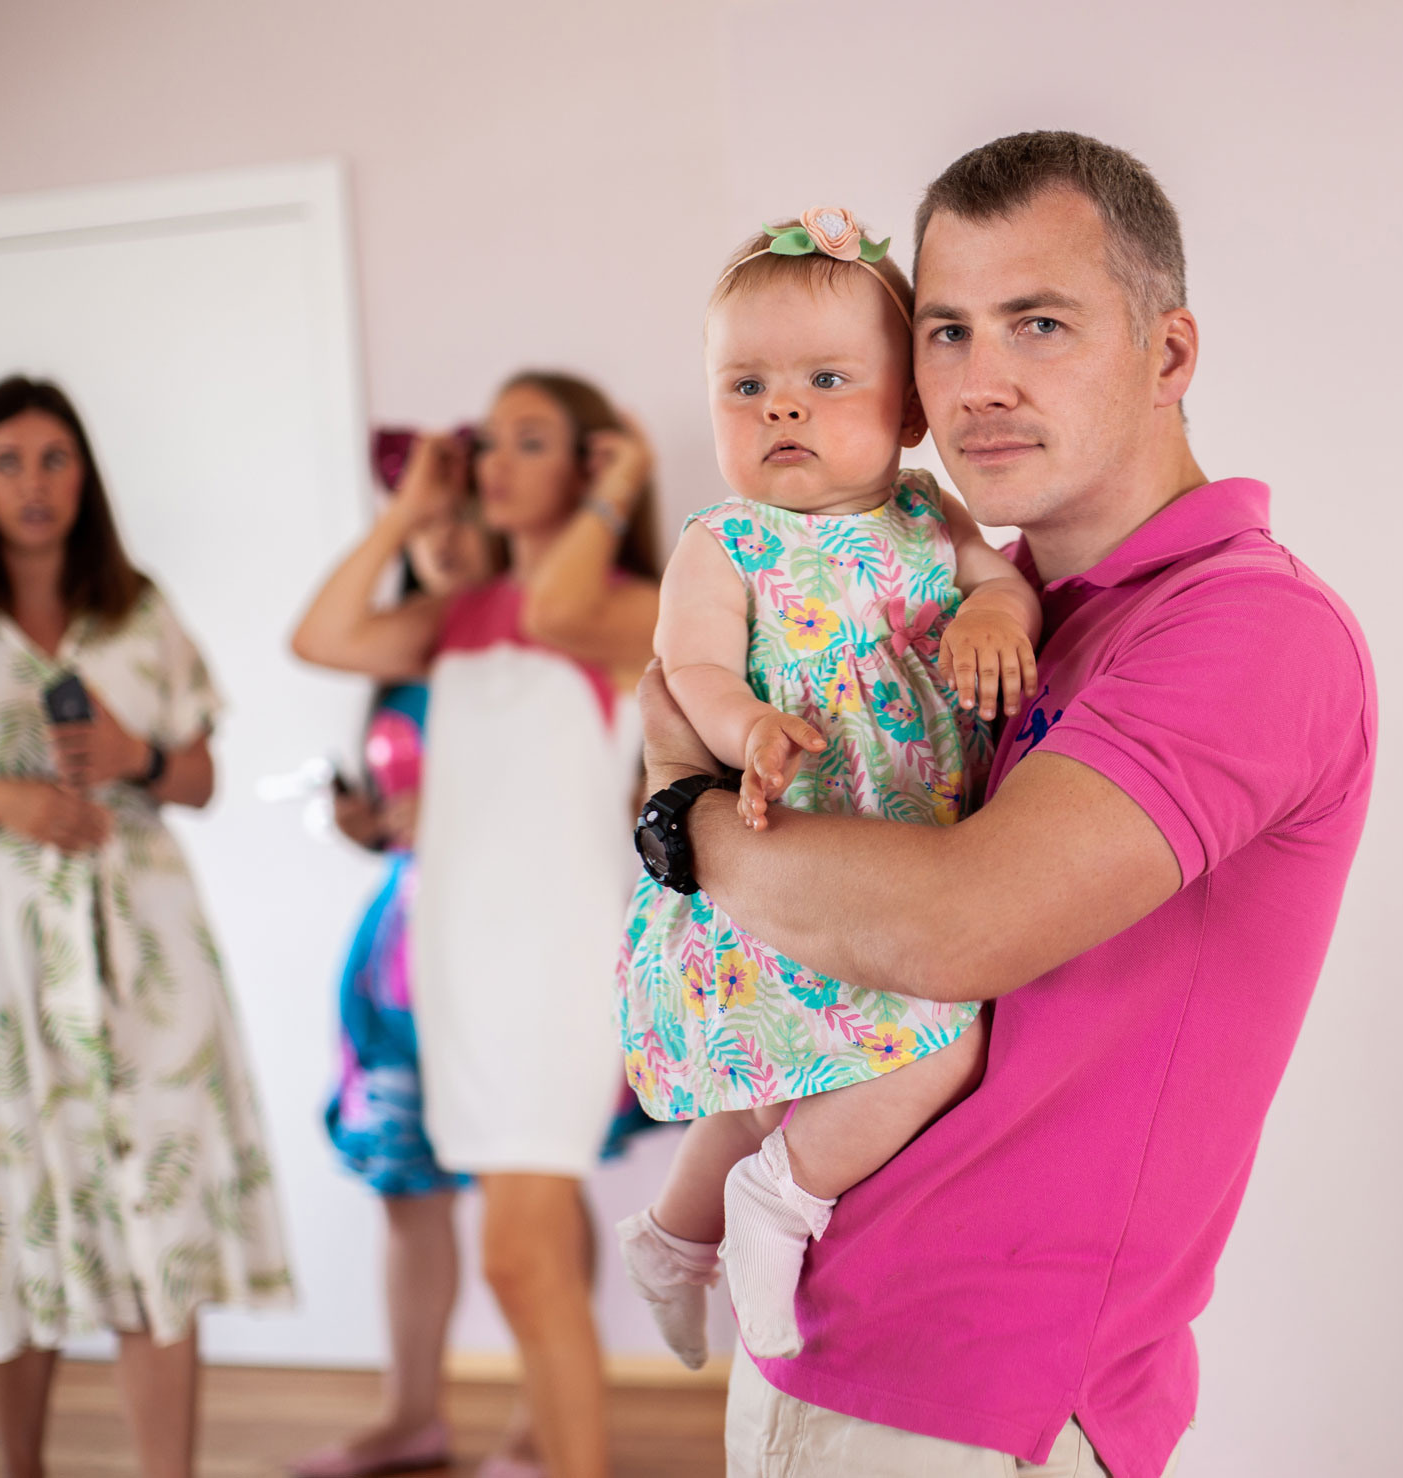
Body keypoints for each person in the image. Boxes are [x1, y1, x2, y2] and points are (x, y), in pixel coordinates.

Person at [633, 132, 1378, 1478]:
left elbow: (951, 928)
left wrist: (678, 809)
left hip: (979, 1388)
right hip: (831, 1331)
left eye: (1040, 323)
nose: (985, 381)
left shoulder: (1244, 628)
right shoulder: (970, 605)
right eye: (949, 332)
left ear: (1167, 354)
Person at [610, 208, 1042, 1367]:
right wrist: (747, 724)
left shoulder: (926, 517)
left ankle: (678, 1228)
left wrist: (996, 612)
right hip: (787, 840)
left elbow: (998, 578)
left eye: (824, 378)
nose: (781, 408)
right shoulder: (725, 540)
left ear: (906, 412)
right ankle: (769, 1199)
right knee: (837, 1066)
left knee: (882, 1049)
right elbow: (687, 667)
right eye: (743, 385)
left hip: (894, 852)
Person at [0, 376, 293, 1478]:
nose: (34, 483)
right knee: (16, 1208)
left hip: (142, 953)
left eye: (55, 458)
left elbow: (201, 776)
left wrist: (136, 758)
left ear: (86, 474)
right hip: (1, 972)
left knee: (152, 1207)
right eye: (8, 460)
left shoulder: (138, 609)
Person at [291, 371, 661, 1478]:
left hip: (554, 962)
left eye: (529, 440)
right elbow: (320, 636)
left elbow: (553, 608)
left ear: (589, 462)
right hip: (458, 961)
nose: (494, 462)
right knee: (522, 1261)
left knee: (522, 1258)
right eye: (487, 440)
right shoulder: (453, 616)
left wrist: (628, 486)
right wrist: (410, 512)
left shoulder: (633, 602)